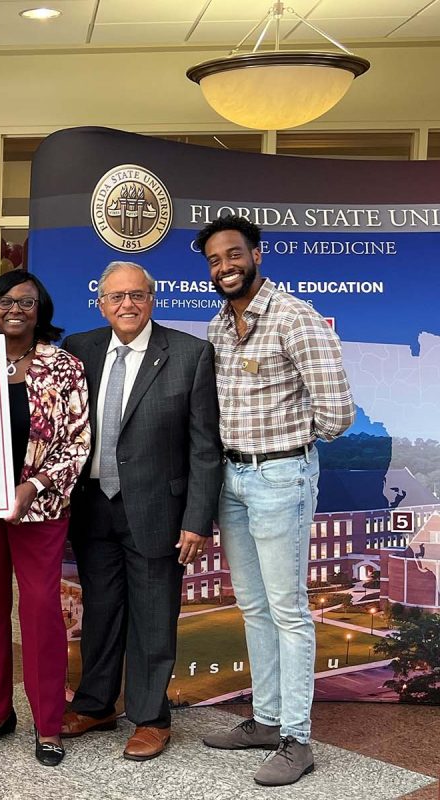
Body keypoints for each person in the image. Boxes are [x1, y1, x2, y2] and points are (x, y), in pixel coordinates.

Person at [196, 215, 354, 786]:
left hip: (281, 478)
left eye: (233, 255)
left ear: (256, 254)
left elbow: (337, 413)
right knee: (254, 606)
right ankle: (264, 721)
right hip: (231, 481)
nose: (224, 267)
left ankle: (297, 738)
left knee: (288, 610)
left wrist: (290, 446)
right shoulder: (218, 325)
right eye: (214, 261)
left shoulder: (294, 317)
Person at [61, 261, 222, 761]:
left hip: (158, 511)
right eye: (116, 297)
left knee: (153, 617)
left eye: (137, 295)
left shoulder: (190, 354)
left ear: (152, 299)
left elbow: (205, 447)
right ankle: (95, 704)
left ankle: (150, 718)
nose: (127, 304)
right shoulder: (79, 350)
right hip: (93, 509)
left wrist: (197, 519)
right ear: (101, 303)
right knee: (102, 612)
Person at [0, 270, 89, 767]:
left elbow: (78, 443)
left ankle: (48, 724)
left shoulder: (65, 367)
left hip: (41, 507)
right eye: (6, 301)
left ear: (40, 311)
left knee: (40, 612)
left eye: (27, 302)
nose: (16, 309)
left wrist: (32, 486)